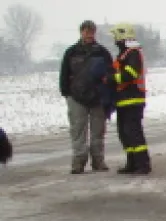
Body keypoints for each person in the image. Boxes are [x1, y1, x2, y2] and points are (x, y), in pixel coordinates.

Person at [58, 20, 114, 174]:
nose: (89, 34)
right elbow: (64, 74)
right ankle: (78, 162)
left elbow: (111, 73)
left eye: (91, 31)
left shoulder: (102, 52)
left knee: (98, 131)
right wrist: (66, 92)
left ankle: (98, 161)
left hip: (97, 98)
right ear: (81, 32)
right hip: (76, 98)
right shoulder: (71, 52)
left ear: (95, 33)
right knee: (78, 131)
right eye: (86, 31)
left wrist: (108, 91)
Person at [110, 23, 151, 175]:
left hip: (133, 99)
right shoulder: (124, 53)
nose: (114, 39)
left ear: (122, 35)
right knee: (124, 133)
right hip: (123, 100)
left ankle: (143, 164)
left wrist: (112, 78)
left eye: (116, 36)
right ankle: (132, 163)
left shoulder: (132, 53)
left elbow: (131, 74)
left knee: (134, 132)